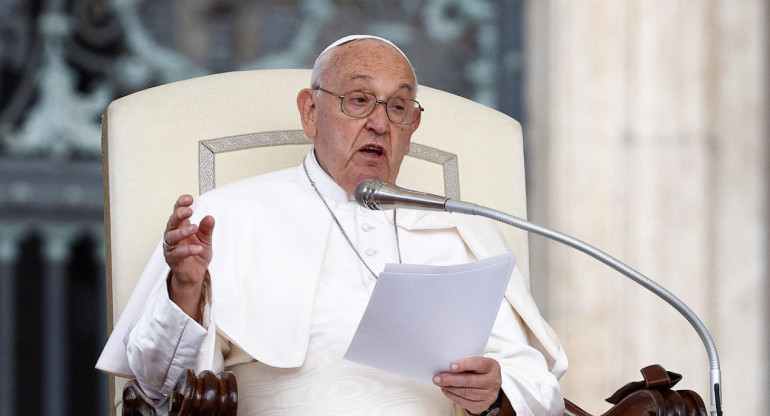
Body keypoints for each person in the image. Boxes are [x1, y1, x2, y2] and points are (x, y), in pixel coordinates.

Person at [97, 35, 568, 416]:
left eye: (398, 107)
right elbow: (158, 389)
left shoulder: (466, 229)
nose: (380, 124)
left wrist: (495, 392)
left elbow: (540, 392)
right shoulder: (226, 216)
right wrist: (185, 288)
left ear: (413, 128)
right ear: (310, 112)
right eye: (359, 100)